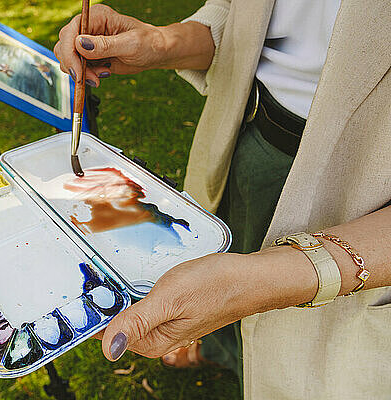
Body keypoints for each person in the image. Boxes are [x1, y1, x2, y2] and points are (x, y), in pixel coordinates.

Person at [53, 1, 391, 398]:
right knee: (222, 291)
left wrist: (262, 281)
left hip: (364, 194)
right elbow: (246, 18)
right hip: (245, 140)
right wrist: (161, 42)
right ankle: (225, 351)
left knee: (299, 347)